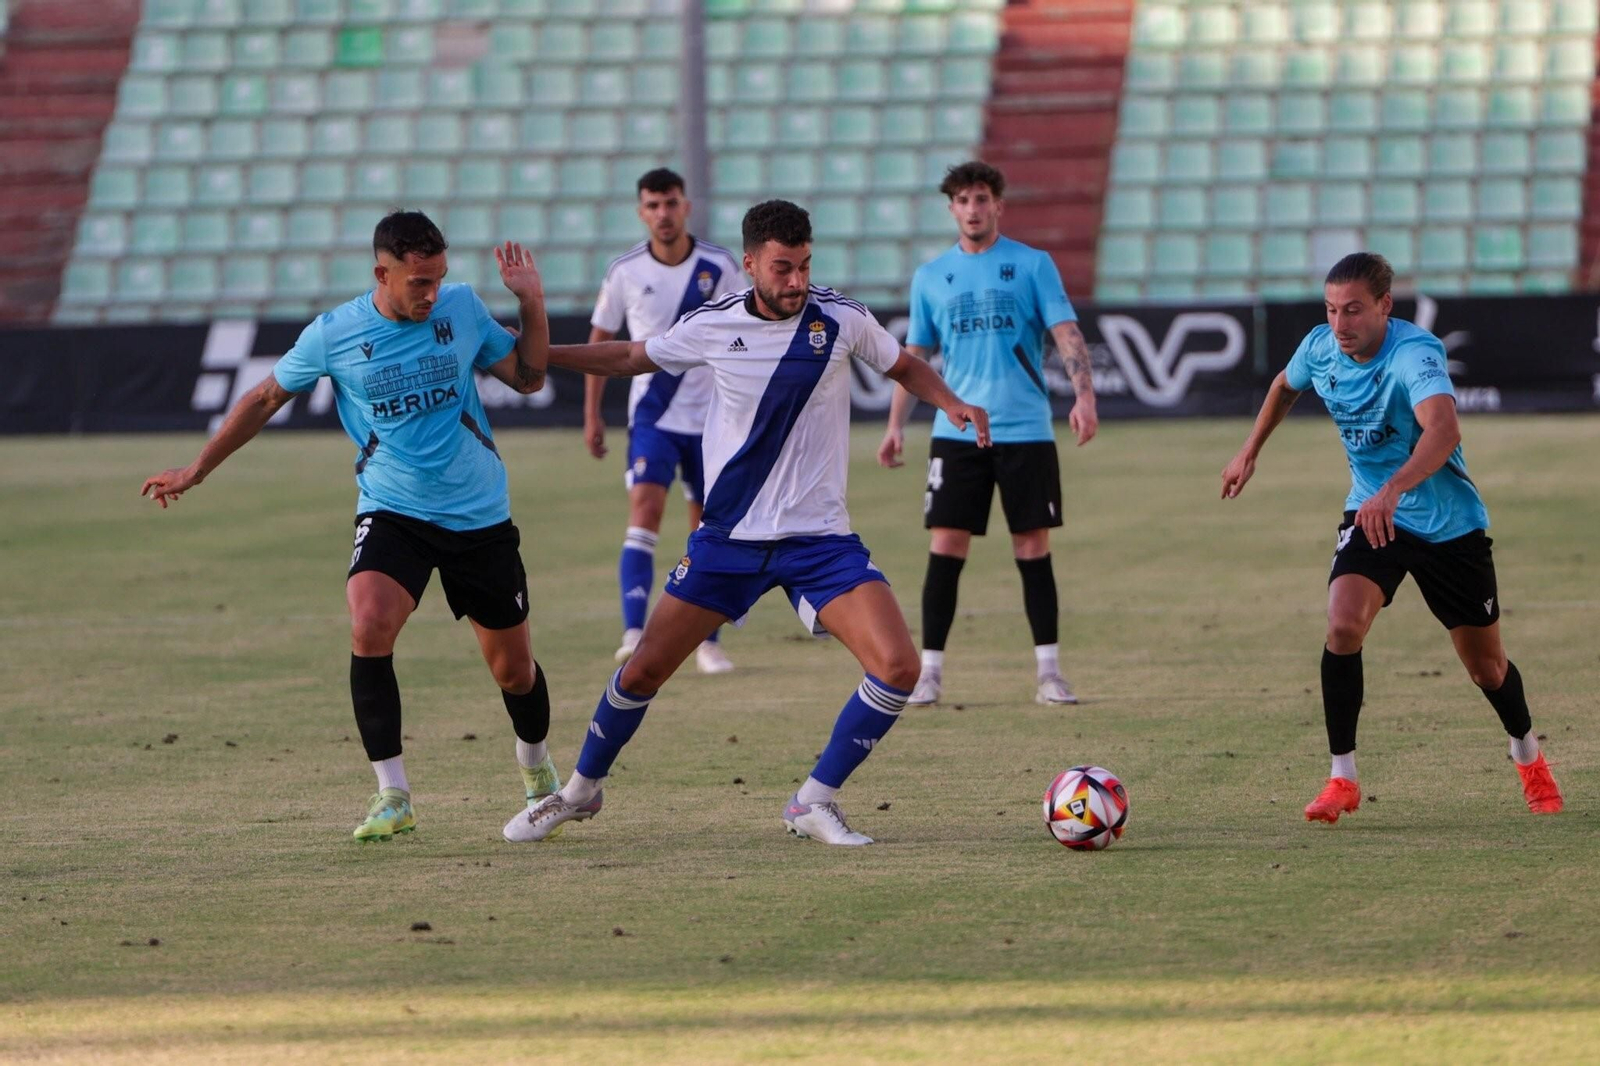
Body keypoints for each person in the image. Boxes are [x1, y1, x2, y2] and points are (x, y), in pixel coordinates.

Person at [502, 199, 990, 846]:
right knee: (643, 670)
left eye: (805, 266)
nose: (796, 282)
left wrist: (951, 402)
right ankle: (579, 792)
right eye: (783, 268)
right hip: (728, 541)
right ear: (752, 264)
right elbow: (628, 357)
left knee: (898, 666)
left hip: (820, 542)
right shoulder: (713, 323)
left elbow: (902, 364)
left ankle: (813, 801)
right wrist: (541, 353)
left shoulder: (839, 319)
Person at [139, 211, 565, 842]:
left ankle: (538, 779)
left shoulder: (463, 310)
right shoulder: (333, 334)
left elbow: (528, 380)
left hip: (478, 513)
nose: (430, 293)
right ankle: (393, 793)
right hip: (393, 508)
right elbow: (262, 399)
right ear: (381, 273)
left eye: (438, 279)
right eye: (418, 282)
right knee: (369, 623)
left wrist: (531, 303)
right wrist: (198, 468)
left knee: (513, 672)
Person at [1220, 251, 1563, 823]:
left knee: (1487, 668)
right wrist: (1248, 451)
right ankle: (1342, 777)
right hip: (1373, 514)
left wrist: (1395, 487)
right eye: (1330, 310)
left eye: (1353, 310)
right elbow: (1285, 385)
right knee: (1342, 623)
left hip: (1449, 525)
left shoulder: (1414, 353)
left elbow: (1444, 427)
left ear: (1384, 305)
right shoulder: (1320, 348)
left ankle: (1528, 755)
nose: (1340, 324)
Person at [877, 161, 1098, 708]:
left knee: (1032, 546)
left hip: (1024, 429)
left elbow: (1065, 332)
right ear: (951, 209)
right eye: (963, 200)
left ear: (998, 205)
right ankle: (928, 674)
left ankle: (1049, 673)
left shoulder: (1032, 265)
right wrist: (894, 426)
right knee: (946, 544)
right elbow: (916, 358)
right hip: (956, 432)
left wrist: (1085, 396)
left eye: (981, 199)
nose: (973, 209)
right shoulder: (930, 277)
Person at [584, 168, 743, 673]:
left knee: (708, 528)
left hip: (714, 418)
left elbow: (746, 331)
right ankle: (634, 631)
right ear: (641, 212)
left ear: (686, 206)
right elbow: (600, 342)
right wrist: (592, 414)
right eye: (652, 205)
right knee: (645, 509)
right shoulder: (626, 271)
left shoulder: (720, 266)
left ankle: (708, 642)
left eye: (671, 203)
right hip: (654, 415)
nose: (663, 214)